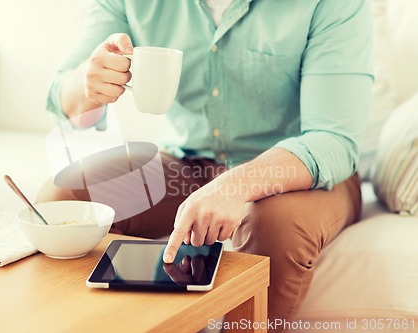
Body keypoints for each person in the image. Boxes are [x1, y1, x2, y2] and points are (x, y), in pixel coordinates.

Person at [39, 0, 373, 331]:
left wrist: (237, 185)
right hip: (188, 160)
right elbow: (63, 101)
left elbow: (333, 139)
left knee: (274, 226)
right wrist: (89, 80)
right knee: (63, 197)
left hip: (298, 172)